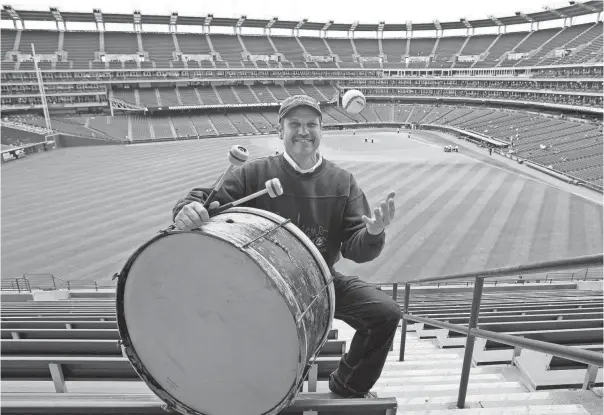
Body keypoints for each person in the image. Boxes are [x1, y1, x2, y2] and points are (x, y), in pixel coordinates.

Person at [172, 95, 400, 399]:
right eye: (295, 124)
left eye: (311, 124)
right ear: (281, 130)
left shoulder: (342, 182)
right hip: (259, 282)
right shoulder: (253, 174)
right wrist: (187, 208)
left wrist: (372, 233)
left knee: (385, 313)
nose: (303, 131)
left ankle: (348, 385)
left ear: (321, 130)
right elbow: (207, 200)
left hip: (321, 280)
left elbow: (357, 249)